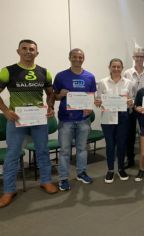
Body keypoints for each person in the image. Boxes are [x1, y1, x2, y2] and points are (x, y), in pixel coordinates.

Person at [0, 39, 58, 207]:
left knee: (43, 151)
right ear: (18, 51)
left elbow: (50, 93)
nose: (28, 52)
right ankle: (9, 191)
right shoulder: (7, 71)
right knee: (12, 155)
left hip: (39, 120)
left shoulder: (44, 72)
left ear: (36, 53)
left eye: (31, 49)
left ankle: (46, 181)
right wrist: (5, 110)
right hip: (16, 120)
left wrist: (51, 106)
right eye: (24, 49)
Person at [53, 48, 96, 191]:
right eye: (75, 57)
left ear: (84, 58)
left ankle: (81, 172)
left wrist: (90, 108)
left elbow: (91, 96)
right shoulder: (61, 76)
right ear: (70, 58)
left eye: (80, 57)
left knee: (82, 149)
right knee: (65, 150)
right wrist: (61, 95)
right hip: (66, 119)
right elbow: (54, 96)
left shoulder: (90, 76)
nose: (78, 59)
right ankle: (63, 178)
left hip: (84, 119)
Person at [95, 58, 134, 183]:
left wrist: (130, 102)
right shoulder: (102, 82)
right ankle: (110, 170)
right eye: (114, 66)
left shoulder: (129, 83)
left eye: (119, 67)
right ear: (109, 67)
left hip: (123, 117)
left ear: (122, 68)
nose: (116, 69)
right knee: (110, 145)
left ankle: (121, 168)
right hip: (107, 118)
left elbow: (132, 100)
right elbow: (98, 100)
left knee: (122, 144)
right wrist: (98, 102)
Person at [123, 47, 144, 168]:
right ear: (133, 58)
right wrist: (132, 103)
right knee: (130, 134)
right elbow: (125, 91)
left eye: (141, 56)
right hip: (131, 108)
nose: (139, 58)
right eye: (136, 56)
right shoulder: (127, 73)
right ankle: (130, 158)